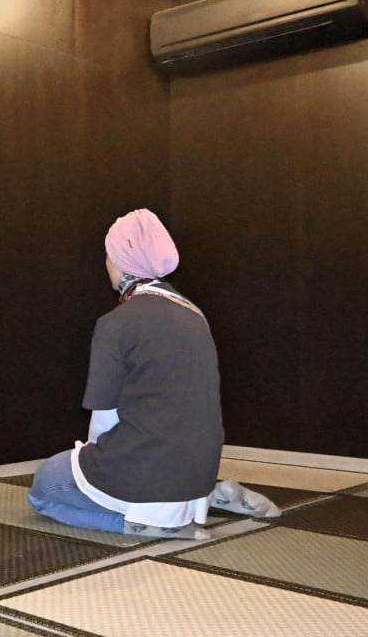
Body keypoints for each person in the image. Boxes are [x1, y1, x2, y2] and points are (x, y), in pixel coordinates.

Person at [28, 209, 280, 540]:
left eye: (109, 254)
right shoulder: (194, 314)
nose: (106, 263)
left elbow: (103, 422)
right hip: (197, 472)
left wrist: (95, 466)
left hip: (145, 473)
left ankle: (140, 522)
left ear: (121, 260)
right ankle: (206, 497)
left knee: (44, 487)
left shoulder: (116, 324)